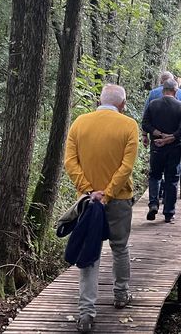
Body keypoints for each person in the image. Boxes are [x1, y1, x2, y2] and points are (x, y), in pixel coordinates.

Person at [64, 84, 139, 333]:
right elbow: (126, 167)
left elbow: (70, 162)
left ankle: (86, 314)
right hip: (118, 199)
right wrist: (107, 195)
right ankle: (120, 294)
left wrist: (88, 191)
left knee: (90, 253)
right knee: (120, 248)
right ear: (123, 104)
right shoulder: (129, 126)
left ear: (100, 100)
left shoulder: (79, 123)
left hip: (87, 202)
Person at [142, 79, 181, 223]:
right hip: (174, 148)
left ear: (163, 90)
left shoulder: (153, 104)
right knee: (172, 179)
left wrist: (158, 134)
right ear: (175, 91)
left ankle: (153, 203)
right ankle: (169, 212)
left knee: (155, 176)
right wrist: (171, 137)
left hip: (157, 147)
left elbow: (145, 123)